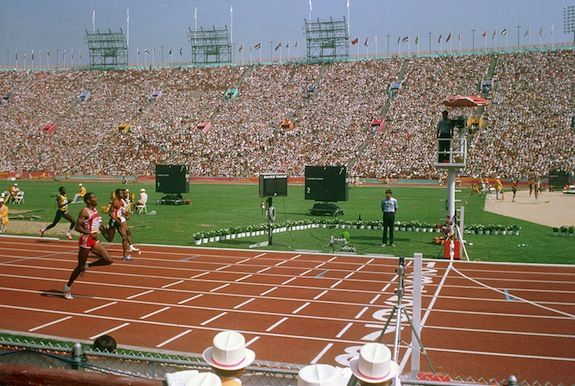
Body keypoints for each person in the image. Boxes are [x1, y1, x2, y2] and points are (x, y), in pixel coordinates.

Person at [63, 192, 113, 300]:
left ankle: (88, 266)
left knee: (108, 260)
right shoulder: (85, 211)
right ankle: (67, 287)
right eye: (94, 197)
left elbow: (96, 223)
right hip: (86, 240)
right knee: (80, 266)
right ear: (89, 200)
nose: (96, 198)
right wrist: (89, 232)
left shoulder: (95, 210)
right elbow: (77, 227)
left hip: (94, 240)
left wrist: (104, 227)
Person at [102, 188, 140, 261]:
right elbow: (110, 213)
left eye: (123, 193)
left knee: (124, 237)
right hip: (114, 221)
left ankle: (125, 256)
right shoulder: (115, 202)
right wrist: (118, 221)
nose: (122, 194)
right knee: (110, 239)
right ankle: (102, 227)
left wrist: (125, 214)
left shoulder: (122, 201)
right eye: (120, 193)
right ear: (117, 194)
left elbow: (120, 211)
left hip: (120, 221)